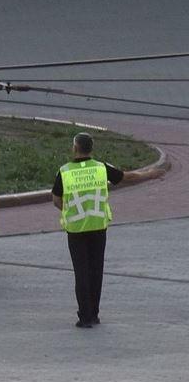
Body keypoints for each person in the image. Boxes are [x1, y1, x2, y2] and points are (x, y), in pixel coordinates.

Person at [51, 132, 124, 329]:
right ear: (91, 149)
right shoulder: (101, 168)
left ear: (75, 148)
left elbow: (56, 199)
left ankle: (85, 316)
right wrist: (152, 174)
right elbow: (122, 177)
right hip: (98, 226)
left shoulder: (64, 172)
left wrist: (71, 210)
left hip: (76, 229)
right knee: (96, 270)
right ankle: (95, 314)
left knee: (81, 271)